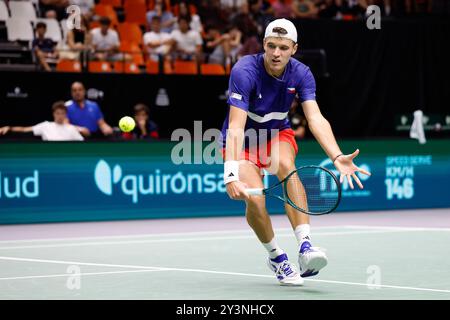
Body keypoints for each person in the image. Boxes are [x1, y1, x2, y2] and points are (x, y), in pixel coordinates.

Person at [221, 18, 371, 285]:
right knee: (255, 200)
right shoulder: (244, 70)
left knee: (287, 169)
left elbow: (315, 118)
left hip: (277, 134)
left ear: (294, 48)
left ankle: (305, 247)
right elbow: (235, 125)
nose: (276, 53)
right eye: (271, 46)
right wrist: (231, 175)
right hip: (243, 140)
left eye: (283, 47)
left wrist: (336, 156)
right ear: (263, 45)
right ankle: (277, 258)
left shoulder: (301, 73)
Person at [0, 101, 84, 141]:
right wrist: (10, 128)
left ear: (66, 114)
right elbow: (24, 129)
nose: (60, 116)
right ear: (53, 114)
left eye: (62, 113)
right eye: (58, 113)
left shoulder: (71, 128)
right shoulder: (46, 125)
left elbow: (82, 143)